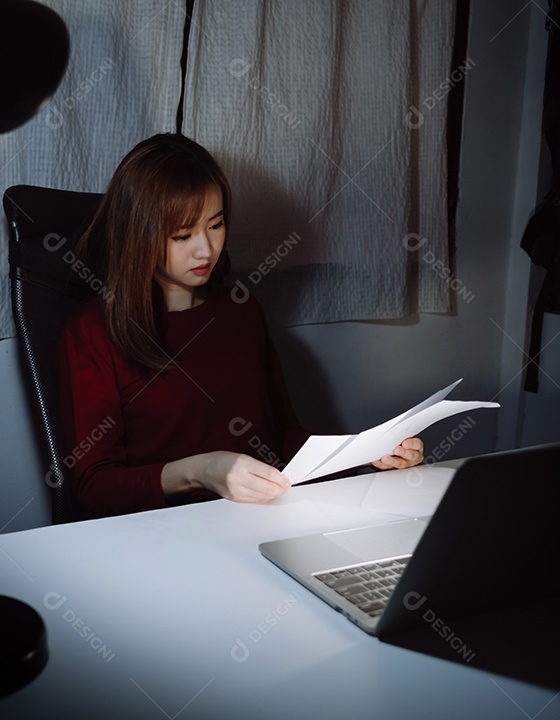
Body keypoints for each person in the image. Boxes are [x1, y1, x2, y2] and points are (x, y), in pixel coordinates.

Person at [57, 133, 423, 518]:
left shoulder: (241, 310)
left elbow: (285, 438)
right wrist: (200, 471)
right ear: (139, 235)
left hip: (266, 516)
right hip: (163, 533)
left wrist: (367, 453)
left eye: (215, 226)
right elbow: (94, 486)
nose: (206, 250)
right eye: (182, 235)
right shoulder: (92, 331)